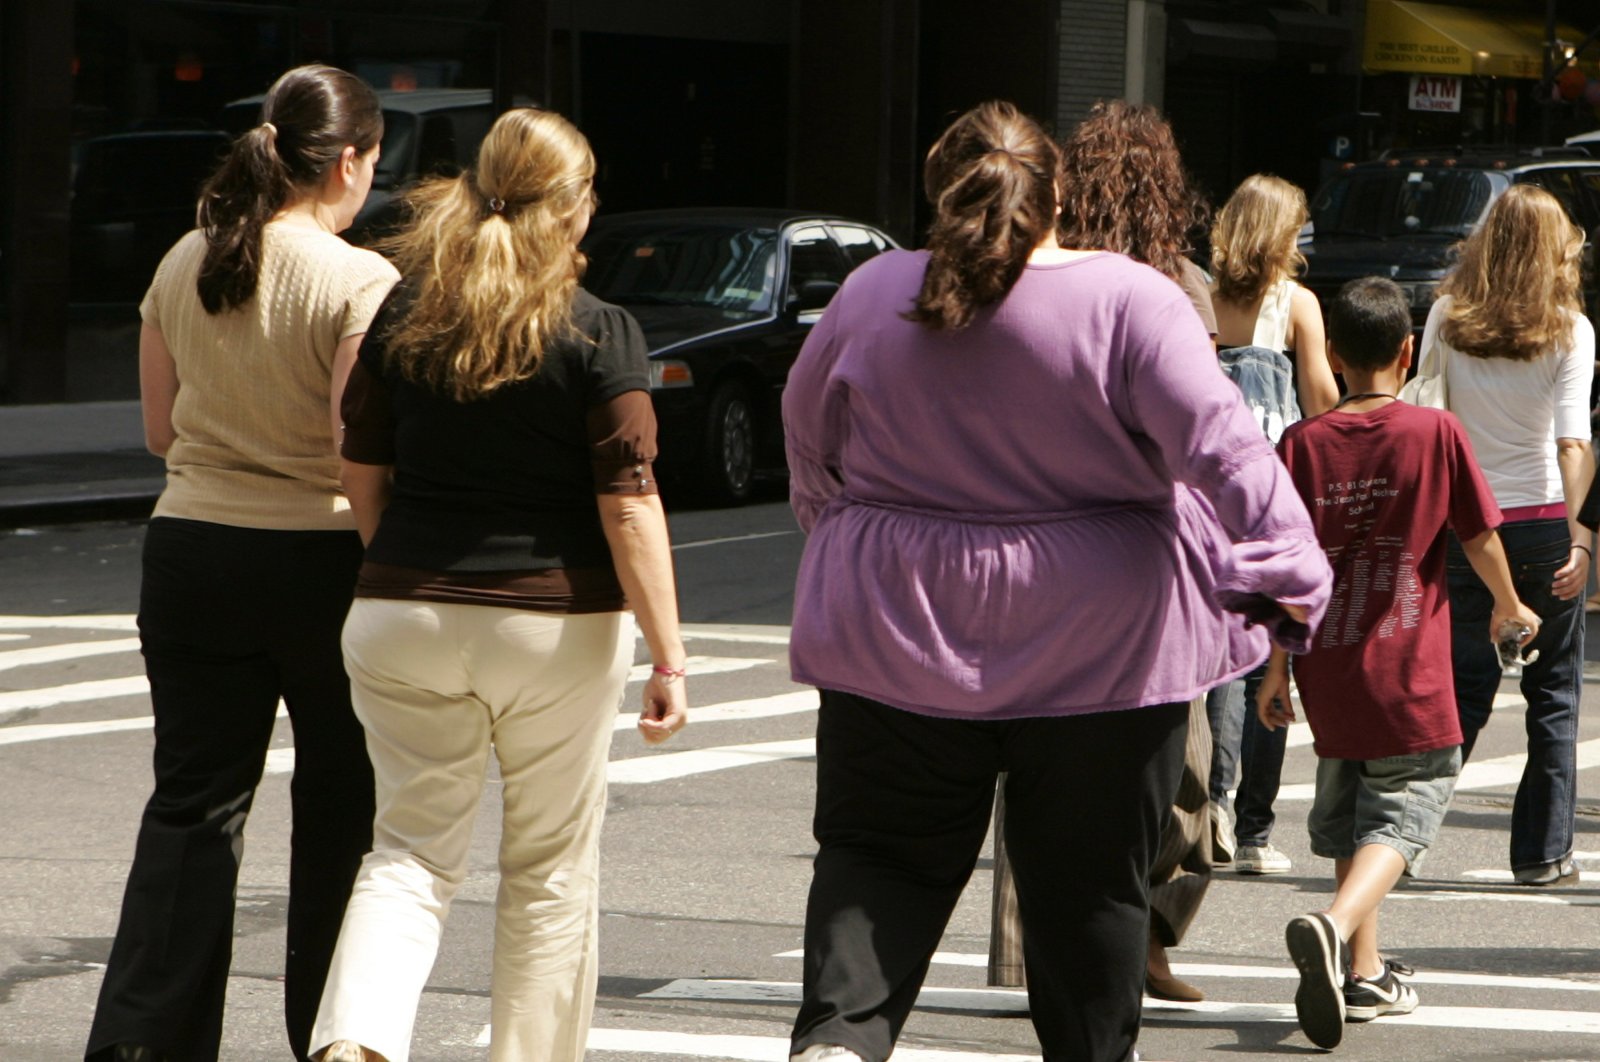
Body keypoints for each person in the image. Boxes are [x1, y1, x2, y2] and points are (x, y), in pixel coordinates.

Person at [782, 100, 1331, 1062]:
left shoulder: (872, 294)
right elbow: (1223, 446)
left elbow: (807, 436)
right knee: (1089, 895)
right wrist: (1286, 565)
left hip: (896, 631)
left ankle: (840, 1039)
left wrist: (850, 530)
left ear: (938, 189)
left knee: (877, 865)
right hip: (1102, 643)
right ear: (1057, 195)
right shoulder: (1130, 299)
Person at [307, 106, 687, 1062]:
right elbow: (629, 504)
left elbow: (358, 465)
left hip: (400, 611)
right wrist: (670, 657)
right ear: (574, 208)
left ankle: (354, 1043)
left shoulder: (408, 308)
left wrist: (392, 565)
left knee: (406, 855)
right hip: (553, 625)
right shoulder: (600, 330)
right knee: (550, 869)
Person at [83, 65, 397, 1062]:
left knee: (192, 807)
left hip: (190, 554)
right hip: (318, 563)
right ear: (347, 161)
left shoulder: (185, 260)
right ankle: (330, 1038)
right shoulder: (357, 280)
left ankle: (144, 1045)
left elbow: (157, 430)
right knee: (342, 808)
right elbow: (361, 455)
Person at [1258, 276, 1539, 1049]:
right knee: (1406, 810)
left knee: (1355, 819)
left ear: (1334, 355)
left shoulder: (1299, 444)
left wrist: (1276, 670)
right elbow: (1479, 533)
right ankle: (1335, 924)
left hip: (1328, 668)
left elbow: (1282, 565)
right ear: (1408, 351)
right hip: (1410, 670)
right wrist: (1510, 604)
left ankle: (1363, 971)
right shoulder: (1433, 433)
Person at [986, 98, 1218, 1005]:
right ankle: (1140, 946)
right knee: (1174, 766)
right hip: (1147, 562)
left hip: (1027, 555)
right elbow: (1200, 441)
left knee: (1035, 762)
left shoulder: (1022, 276)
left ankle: (1032, 953)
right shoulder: (1177, 290)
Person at [1425, 184, 1595, 887]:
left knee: (1458, 691)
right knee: (1553, 694)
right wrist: (1584, 541)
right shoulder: (1570, 328)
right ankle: (1541, 854)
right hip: (1545, 525)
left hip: (1467, 526)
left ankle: (1400, 839)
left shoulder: (1444, 314)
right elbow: (1572, 443)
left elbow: (1428, 415)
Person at [1206, 173, 1342, 877]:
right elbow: (1319, 402)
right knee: (1267, 653)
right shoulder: (1296, 304)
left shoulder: (1201, 295)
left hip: (1206, 491)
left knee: (1216, 663)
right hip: (1273, 490)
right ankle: (1254, 829)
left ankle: (1212, 805)